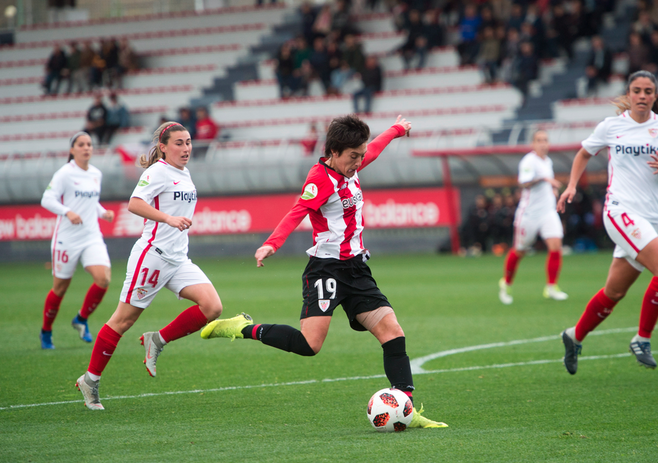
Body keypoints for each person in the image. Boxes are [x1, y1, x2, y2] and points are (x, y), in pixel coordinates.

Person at [200, 115, 447, 429]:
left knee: (393, 333)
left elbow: (376, 149)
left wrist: (398, 130)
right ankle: (240, 327)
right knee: (309, 345)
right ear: (333, 151)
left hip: (357, 269)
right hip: (326, 271)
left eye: (361, 155)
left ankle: (406, 410)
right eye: (353, 156)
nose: (359, 162)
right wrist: (271, 244)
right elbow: (297, 211)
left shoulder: (351, 163)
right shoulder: (320, 178)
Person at [557, 71, 658, 374]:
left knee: (614, 292)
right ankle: (642, 339)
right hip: (620, 211)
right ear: (628, 93)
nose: (642, 96)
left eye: (648, 91)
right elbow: (584, 153)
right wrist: (571, 185)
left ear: (654, 96)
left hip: (651, 218)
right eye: (636, 90)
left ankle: (574, 336)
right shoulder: (612, 126)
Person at [75, 122, 224, 410]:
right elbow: (134, 203)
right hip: (152, 256)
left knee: (212, 307)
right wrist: (168, 219)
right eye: (179, 143)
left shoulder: (184, 172)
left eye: (189, 142)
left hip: (178, 258)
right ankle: (90, 381)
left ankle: (157, 340)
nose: (186, 148)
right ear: (164, 147)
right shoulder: (156, 172)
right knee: (123, 321)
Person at [39, 132, 115, 349]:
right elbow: (47, 199)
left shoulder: (95, 174)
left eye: (89, 144)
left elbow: (92, 202)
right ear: (72, 150)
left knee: (104, 278)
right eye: (81, 144)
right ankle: (46, 330)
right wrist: (67, 212)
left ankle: (81, 319)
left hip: (91, 236)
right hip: (67, 239)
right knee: (60, 288)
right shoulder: (65, 173)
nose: (86, 148)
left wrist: (103, 213)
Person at [499, 130, 567, 305]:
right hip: (529, 215)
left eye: (545, 140)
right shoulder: (529, 161)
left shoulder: (548, 161)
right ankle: (506, 283)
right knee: (519, 250)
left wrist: (551, 189)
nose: (543, 143)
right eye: (539, 140)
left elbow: (546, 183)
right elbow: (524, 183)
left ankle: (551, 287)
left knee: (556, 246)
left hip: (548, 212)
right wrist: (544, 179)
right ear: (532, 144)